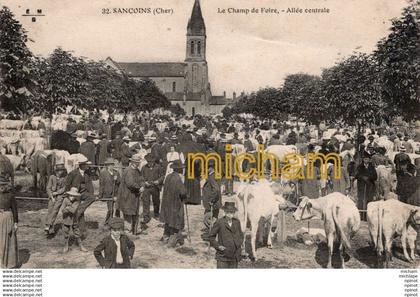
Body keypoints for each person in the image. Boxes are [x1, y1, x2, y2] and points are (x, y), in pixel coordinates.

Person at [64, 156, 95, 235]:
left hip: (83, 193)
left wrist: (91, 193)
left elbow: (90, 184)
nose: (88, 166)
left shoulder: (87, 173)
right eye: (86, 165)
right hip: (74, 194)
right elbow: (67, 184)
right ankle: (81, 228)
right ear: (82, 165)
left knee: (92, 198)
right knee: (78, 211)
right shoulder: (73, 173)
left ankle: (80, 210)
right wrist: (68, 194)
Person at [160, 160, 187, 247]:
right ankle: (172, 240)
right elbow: (182, 192)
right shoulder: (178, 179)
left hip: (166, 203)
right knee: (175, 221)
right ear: (179, 170)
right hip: (175, 204)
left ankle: (165, 237)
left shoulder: (168, 176)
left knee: (168, 220)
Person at [208, 202, 244, 269]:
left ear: (234, 212)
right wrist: (218, 246)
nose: (230, 214)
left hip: (234, 255)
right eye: (228, 212)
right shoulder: (219, 222)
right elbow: (211, 237)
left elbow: (241, 235)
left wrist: (239, 244)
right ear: (224, 212)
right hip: (223, 256)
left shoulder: (237, 222)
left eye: (232, 212)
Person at [116, 154, 145, 235]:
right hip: (127, 195)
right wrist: (139, 188)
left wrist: (143, 185)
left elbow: (142, 179)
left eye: (138, 162)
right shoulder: (128, 170)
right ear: (132, 162)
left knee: (136, 212)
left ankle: (137, 229)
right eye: (135, 162)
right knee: (128, 213)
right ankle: (128, 231)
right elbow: (130, 183)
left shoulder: (137, 171)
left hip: (135, 195)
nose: (137, 164)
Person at [140, 154, 165, 226]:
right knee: (145, 202)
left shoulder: (158, 167)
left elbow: (162, 176)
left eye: (151, 162)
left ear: (154, 161)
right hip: (147, 187)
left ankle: (156, 214)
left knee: (156, 201)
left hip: (155, 187)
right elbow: (141, 177)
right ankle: (146, 216)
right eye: (148, 162)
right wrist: (144, 183)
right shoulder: (144, 167)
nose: (150, 163)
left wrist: (158, 181)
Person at [62, 187, 88, 253]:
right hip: (66, 219)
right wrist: (68, 209)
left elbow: (73, 210)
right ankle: (66, 245)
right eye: (70, 195)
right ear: (68, 195)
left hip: (74, 219)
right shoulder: (65, 200)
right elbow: (62, 210)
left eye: (73, 196)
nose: (71, 197)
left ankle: (81, 245)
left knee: (77, 232)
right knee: (66, 232)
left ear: (75, 196)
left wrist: (67, 208)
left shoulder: (77, 201)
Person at [0, 176, 18, 268]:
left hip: (7, 218)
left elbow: (15, 209)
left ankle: (10, 263)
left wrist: (15, 223)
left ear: (7, 186)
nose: (1, 187)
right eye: (0, 185)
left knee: (8, 238)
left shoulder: (11, 195)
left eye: (3, 185)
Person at [44, 163, 67, 235]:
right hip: (52, 196)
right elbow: (48, 188)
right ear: (56, 171)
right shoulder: (52, 177)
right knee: (50, 210)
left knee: (55, 210)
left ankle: (48, 225)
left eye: (62, 170)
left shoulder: (65, 178)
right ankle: (50, 228)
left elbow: (65, 188)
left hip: (60, 195)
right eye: (59, 171)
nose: (61, 172)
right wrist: (51, 196)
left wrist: (57, 193)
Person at [355, 152, 378, 220]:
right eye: (365, 159)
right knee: (361, 200)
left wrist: (369, 178)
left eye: (367, 159)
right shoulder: (359, 167)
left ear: (369, 160)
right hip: (361, 186)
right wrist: (362, 177)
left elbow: (375, 177)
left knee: (369, 201)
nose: (366, 161)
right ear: (363, 160)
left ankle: (368, 216)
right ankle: (361, 216)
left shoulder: (372, 167)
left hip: (369, 187)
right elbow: (356, 175)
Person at [99, 158, 120, 226]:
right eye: (109, 165)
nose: (111, 166)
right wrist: (100, 195)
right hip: (108, 194)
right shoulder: (103, 173)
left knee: (117, 209)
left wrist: (116, 180)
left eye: (112, 165)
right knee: (110, 210)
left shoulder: (116, 173)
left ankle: (117, 222)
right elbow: (101, 185)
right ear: (107, 165)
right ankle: (107, 222)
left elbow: (120, 183)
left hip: (116, 193)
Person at [202, 163, 221, 233]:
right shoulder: (215, 175)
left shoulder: (212, 176)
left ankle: (213, 231)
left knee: (206, 219)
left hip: (212, 203)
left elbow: (216, 189)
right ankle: (215, 231)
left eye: (207, 168)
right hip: (216, 202)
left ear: (211, 168)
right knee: (214, 218)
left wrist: (212, 200)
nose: (205, 170)